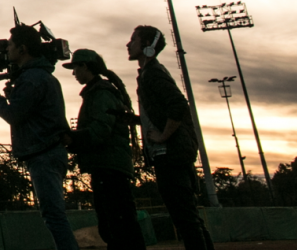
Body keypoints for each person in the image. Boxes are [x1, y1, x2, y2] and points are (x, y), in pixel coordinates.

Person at [0, 25, 78, 250]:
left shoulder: (31, 79)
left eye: (10, 45)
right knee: (54, 215)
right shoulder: (41, 76)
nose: (6, 49)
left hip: (43, 154)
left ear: (23, 49)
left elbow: (13, 115)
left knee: (54, 216)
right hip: (49, 151)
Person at [127, 26, 214, 250]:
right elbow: (161, 112)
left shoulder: (153, 73)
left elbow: (177, 106)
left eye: (133, 40)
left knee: (185, 219)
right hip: (170, 154)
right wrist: (137, 121)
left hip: (171, 154)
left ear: (147, 45)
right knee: (187, 217)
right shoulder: (150, 73)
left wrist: (164, 135)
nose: (128, 44)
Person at [61, 49, 146, 250]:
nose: (73, 73)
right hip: (109, 166)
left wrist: (72, 139)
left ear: (85, 67)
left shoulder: (100, 93)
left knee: (117, 227)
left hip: (109, 167)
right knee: (118, 225)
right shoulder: (99, 92)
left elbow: (100, 130)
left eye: (75, 68)